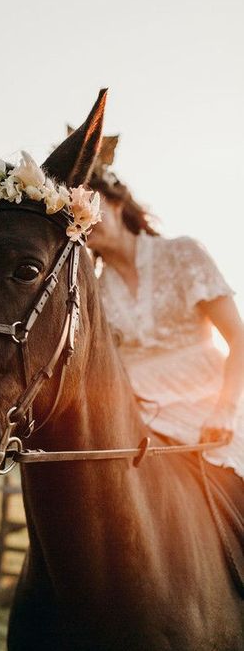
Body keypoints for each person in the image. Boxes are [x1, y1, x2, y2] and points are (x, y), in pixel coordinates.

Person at [87, 138, 244, 481]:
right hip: (142, 419)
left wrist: (225, 410)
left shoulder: (183, 254)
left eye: (88, 204)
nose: (81, 219)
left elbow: (238, 339)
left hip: (213, 408)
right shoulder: (93, 292)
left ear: (115, 204)